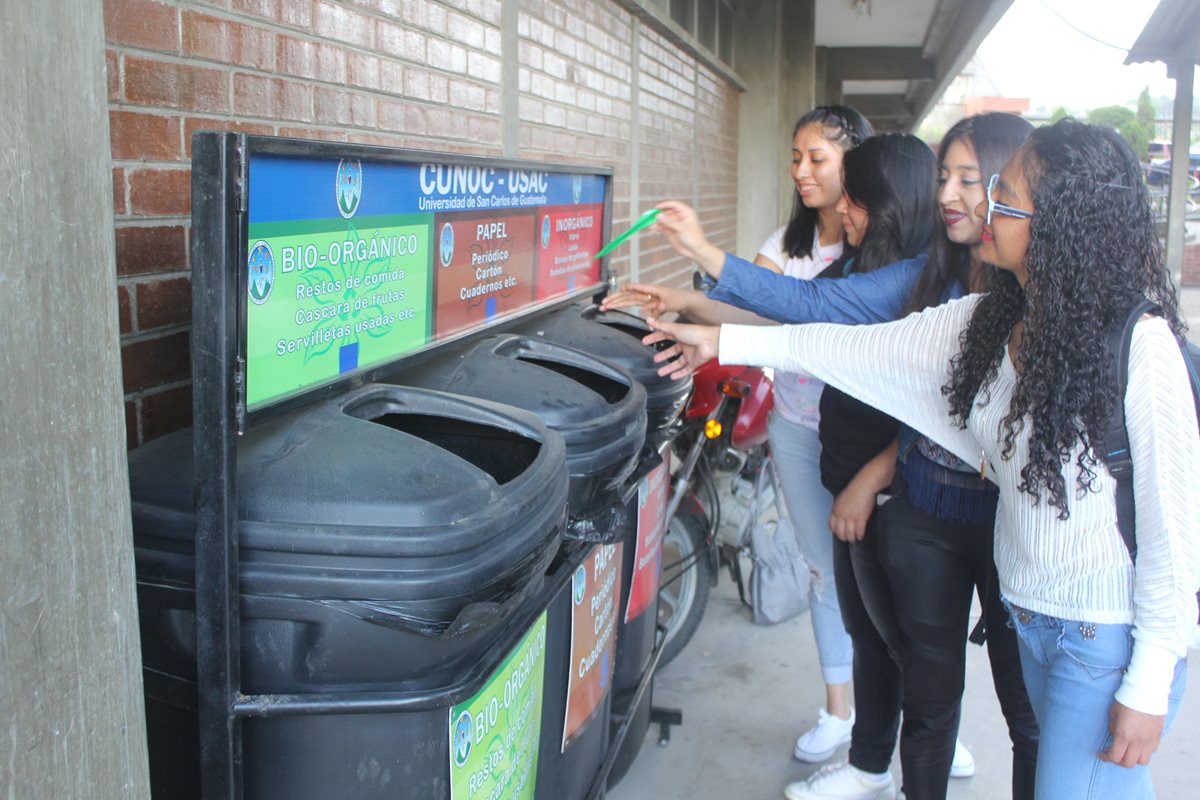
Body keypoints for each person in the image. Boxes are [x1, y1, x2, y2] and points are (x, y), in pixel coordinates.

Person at [645, 119, 1199, 800]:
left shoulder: (1143, 348)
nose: (983, 207)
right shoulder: (986, 323)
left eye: (1003, 196)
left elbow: (1177, 538)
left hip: (1100, 637)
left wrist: (1146, 682)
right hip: (1032, 620)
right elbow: (850, 346)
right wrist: (720, 341)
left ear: (1060, 226)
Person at [622, 113, 1039, 800]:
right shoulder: (935, 283)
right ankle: (875, 756)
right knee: (903, 654)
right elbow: (819, 329)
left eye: (973, 181)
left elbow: (831, 331)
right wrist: (708, 324)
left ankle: (900, 743)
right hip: (919, 498)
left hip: (971, 511)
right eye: (945, 178)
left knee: (1021, 704)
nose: (952, 196)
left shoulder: (1008, 298)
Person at [612, 105, 873, 764]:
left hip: (867, 435)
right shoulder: (785, 243)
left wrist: (706, 308)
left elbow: (809, 321)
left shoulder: (878, 249)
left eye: (818, 157)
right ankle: (841, 711)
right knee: (822, 570)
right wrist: (686, 305)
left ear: (856, 164)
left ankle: (926, 714)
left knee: (888, 578)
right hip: (797, 425)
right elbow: (751, 305)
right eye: (796, 157)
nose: (802, 171)